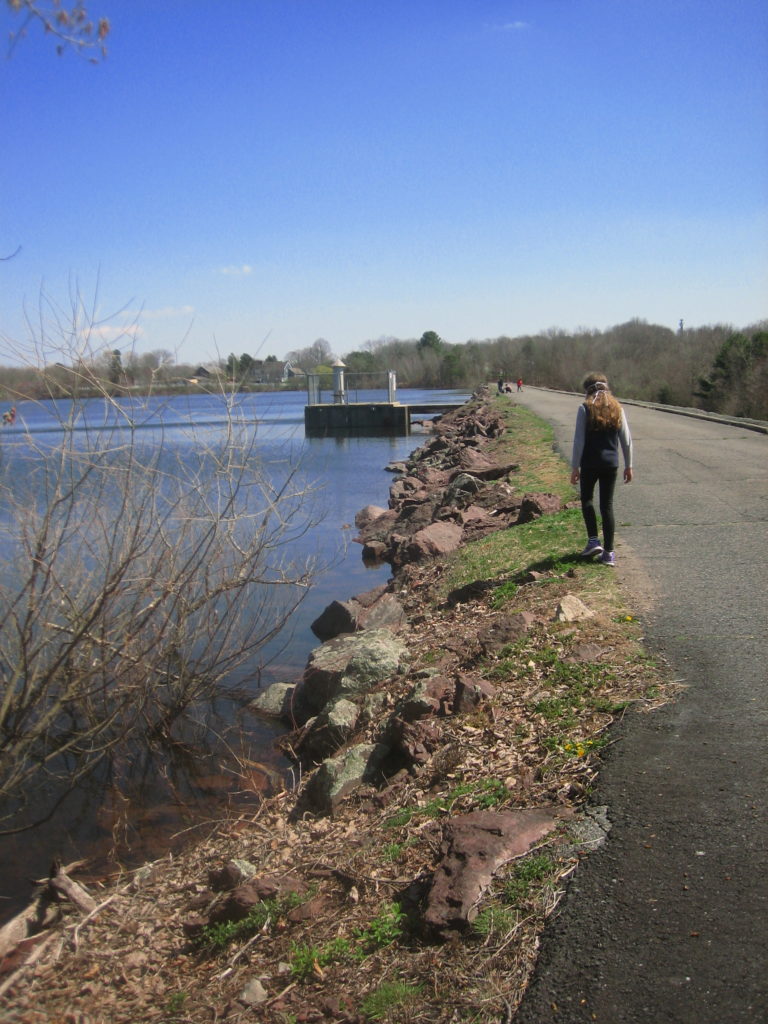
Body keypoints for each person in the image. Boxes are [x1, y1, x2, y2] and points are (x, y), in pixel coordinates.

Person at [570, 373, 633, 566]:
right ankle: (609, 553)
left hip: (590, 463)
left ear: (588, 390)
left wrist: (575, 467)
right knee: (607, 506)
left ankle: (593, 541)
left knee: (587, 499)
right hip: (610, 465)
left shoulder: (584, 409)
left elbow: (579, 441)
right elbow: (627, 440)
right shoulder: (617, 409)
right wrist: (629, 465)